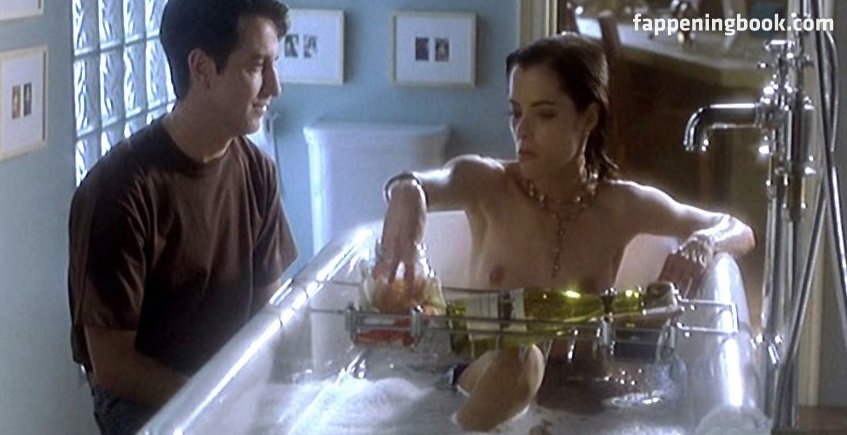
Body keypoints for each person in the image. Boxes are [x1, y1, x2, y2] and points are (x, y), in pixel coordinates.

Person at [376, 33, 755, 431]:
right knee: (522, 356)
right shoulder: (487, 185)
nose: (522, 130)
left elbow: (737, 228)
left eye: (544, 115)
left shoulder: (620, 206)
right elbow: (427, 182)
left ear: (589, 118)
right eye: (515, 113)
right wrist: (407, 191)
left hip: (581, 403)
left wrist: (703, 242)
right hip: (480, 392)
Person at [67, 1, 296, 433]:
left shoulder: (257, 172)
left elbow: (268, 319)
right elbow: (113, 366)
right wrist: (218, 405)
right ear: (202, 69)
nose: (274, 87)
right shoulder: (120, 191)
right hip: (149, 406)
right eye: (256, 66)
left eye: (274, 65)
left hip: (231, 387)